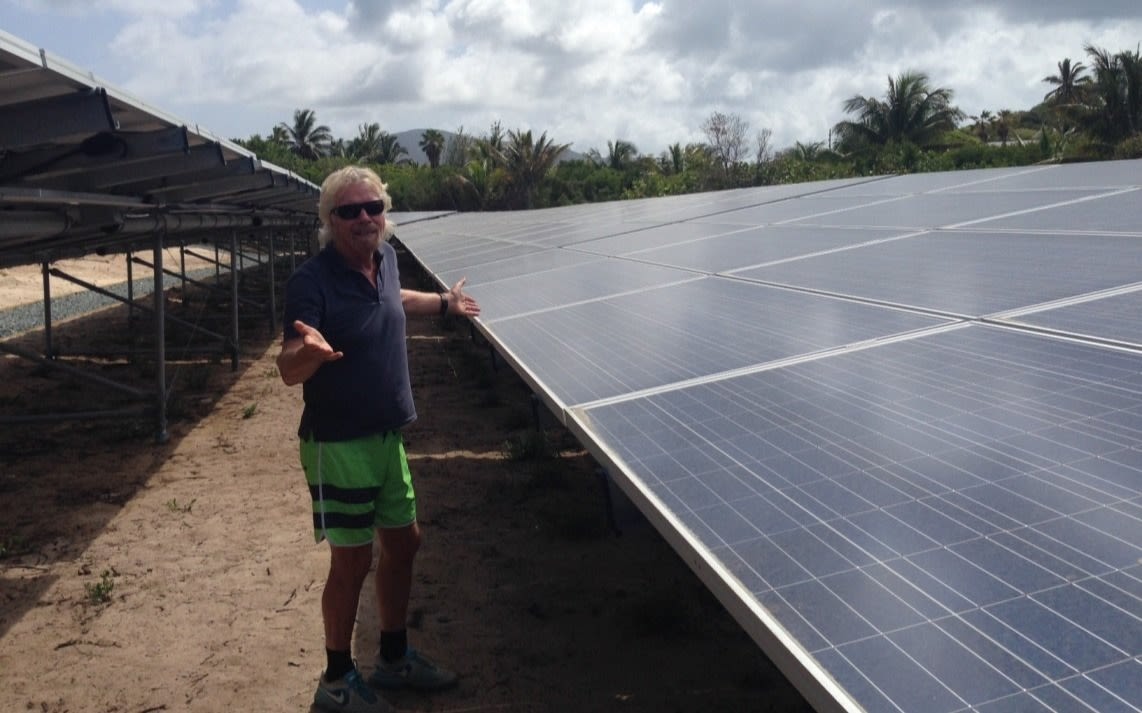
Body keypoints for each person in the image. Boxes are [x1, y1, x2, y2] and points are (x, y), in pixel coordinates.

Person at [276, 165, 480, 713]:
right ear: (329, 220)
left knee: (405, 542)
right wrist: (307, 354)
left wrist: (444, 304)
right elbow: (287, 365)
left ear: (384, 214)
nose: (363, 218)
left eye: (373, 207)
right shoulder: (311, 282)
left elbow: (397, 299)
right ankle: (337, 680)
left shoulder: (385, 260)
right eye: (349, 211)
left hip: (388, 437)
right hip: (339, 445)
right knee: (352, 562)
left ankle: (392, 659)